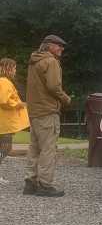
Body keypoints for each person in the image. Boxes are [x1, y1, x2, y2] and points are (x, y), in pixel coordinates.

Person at [24, 34, 71, 197]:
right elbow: (53, 86)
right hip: (47, 111)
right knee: (48, 149)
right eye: (59, 45)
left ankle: (30, 183)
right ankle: (45, 185)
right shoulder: (51, 61)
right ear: (49, 46)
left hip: (34, 111)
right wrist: (66, 99)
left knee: (34, 147)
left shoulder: (34, 60)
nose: (61, 48)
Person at [0, 58, 30, 184]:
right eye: (14, 68)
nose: (15, 71)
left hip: (4, 122)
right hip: (4, 123)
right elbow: (3, 100)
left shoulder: (4, 81)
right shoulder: (4, 82)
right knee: (5, 148)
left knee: (4, 148)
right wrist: (19, 104)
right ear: (8, 68)